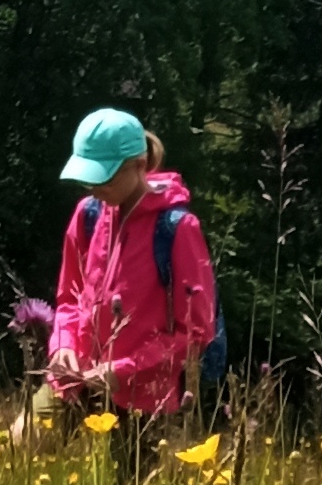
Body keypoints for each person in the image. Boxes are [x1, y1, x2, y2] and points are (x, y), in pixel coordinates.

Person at [33, 107, 219, 447]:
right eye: (89, 176)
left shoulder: (178, 228)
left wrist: (122, 370)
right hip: (75, 379)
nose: (95, 186)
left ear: (139, 165)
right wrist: (63, 346)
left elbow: (195, 331)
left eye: (106, 176)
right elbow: (69, 298)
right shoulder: (87, 214)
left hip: (144, 398)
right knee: (21, 448)